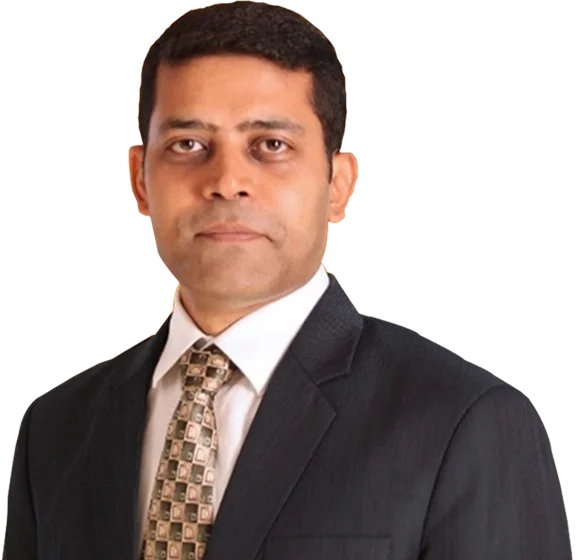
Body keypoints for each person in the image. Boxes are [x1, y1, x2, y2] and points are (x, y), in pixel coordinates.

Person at [1, 2, 573, 559]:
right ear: (140, 179)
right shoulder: (57, 431)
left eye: (271, 146)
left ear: (337, 185)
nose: (227, 180)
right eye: (188, 145)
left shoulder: (465, 424)